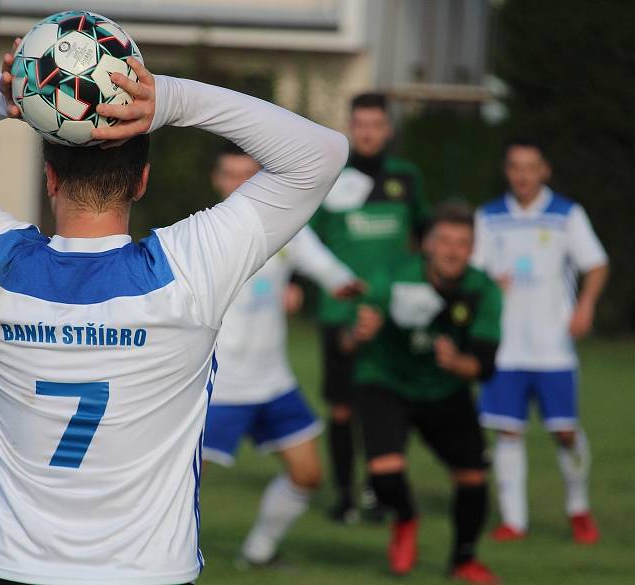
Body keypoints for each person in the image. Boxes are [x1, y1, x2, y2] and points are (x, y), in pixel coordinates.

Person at [0, 38, 348, 585]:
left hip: (11, 567)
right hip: (145, 573)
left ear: (49, 178)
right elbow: (322, 152)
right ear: (142, 181)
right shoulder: (187, 272)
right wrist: (165, 99)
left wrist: (11, 92)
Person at [203, 144, 362, 566]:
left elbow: (328, 271)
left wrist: (353, 290)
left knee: (308, 475)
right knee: (177, 483)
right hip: (221, 385)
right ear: (217, 181)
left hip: (273, 380)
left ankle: (258, 553)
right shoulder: (203, 235)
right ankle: (141, 558)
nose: (239, 185)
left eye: (247, 175)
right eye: (230, 175)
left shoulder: (288, 227)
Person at [342, 203, 501, 584]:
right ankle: (406, 517)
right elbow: (348, 343)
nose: (452, 250)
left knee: (473, 479)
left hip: (444, 390)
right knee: (384, 475)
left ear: (473, 247)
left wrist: (456, 362)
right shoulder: (393, 276)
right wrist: (359, 333)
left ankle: (464, 560)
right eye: (444, 240)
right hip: (386, 381)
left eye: (462, 243)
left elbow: (484, 365)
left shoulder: (483, 290)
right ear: (428, 244)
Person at [473, 138, 609, 544]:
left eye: (530, 167)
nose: (523, 175)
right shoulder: (490, 216)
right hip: (505, 348)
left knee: (564, 432)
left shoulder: (566, 214)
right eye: (515, 166)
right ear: (507, 170)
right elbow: (474, 272)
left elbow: (596, 264)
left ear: (544, 170)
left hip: (553, 348)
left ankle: (578, 508)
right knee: (507, 433)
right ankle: (514, 520)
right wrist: (486, 283)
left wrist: (585, 306)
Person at [310, 92, 430, 523]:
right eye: (359, 123)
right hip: (341, 313)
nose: (367, 132)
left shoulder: (406, 178)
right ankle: (343, 496)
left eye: (375, 124)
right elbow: (308, 240)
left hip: (393, 315)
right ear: (350, 125)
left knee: (389, 405)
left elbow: (424, 237)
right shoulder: (331, 175)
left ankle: (379, 491)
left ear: (388, 129)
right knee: (342, 408)